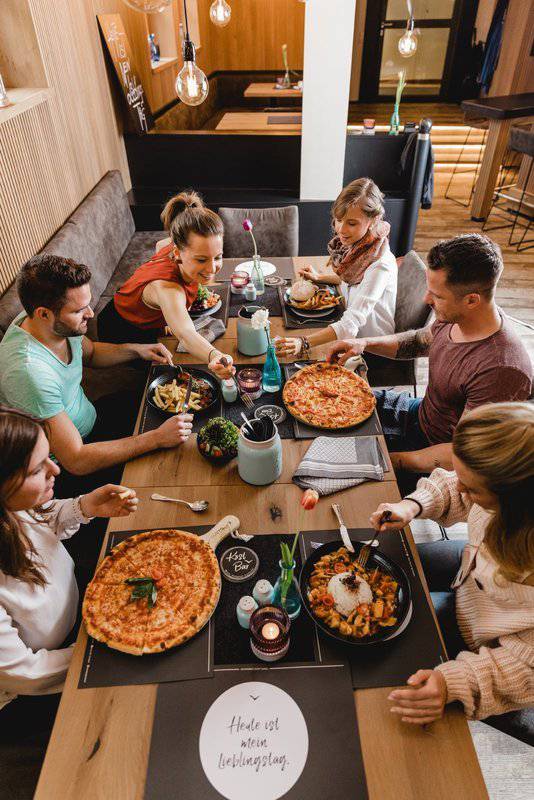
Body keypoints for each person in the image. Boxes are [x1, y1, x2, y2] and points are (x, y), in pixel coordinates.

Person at [369, 402, 534, 724]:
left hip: (492, 656)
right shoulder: (505, 492)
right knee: (392, 566)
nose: (459, 487)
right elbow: (453, 485)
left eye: (471, 488)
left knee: (389, 650)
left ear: (514, 507)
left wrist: (452, 683)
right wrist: (413, 506)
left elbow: (524, 671)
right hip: (470, 581)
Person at [326, 234, 532, 480]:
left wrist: (395, 460)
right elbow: (419, 341)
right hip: (418, 412)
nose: (426, 300)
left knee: (334, 469)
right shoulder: (460, 317)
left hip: (428, 455)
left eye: (438, 296)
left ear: (472, 300)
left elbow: (465, 454)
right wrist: (362, 343)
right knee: (326, 404)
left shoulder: (502, 370)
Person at [0, 254, 193, 485]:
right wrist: (156, 439)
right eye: (79, 310)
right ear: (43, 313)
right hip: (65, 468)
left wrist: (137, 350)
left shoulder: (48, 323)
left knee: (178, 416)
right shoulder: (29, 373)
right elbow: (77, 459)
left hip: (92, 419)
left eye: (88, 304)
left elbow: (90, 353)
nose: (90, 314)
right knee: (168, 470)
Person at [0, 407, 138, 708]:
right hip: (36, 689)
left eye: (49, 457)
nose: (56, 470)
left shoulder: (11, 509)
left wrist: (86, 505)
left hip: (81, 624)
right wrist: (104, 646)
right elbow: (27, 673)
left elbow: (41, 519)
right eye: (37, 470)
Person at [97, 191, 234, 380]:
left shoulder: (172, 245)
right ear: (177, 253)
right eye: (201, 259)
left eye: (217, 257)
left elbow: (161, 244)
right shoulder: (167, 289)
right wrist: (215, 355)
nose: (212, 268)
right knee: (163, 375)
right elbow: (186, 334)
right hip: (123, 329)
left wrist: (166, 315)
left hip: (144, 318)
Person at [276, 178, 397, 359]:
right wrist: (320, 278)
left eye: (352, 223)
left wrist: (304, 342)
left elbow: (351, 324)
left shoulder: (380, 265)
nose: (341, 229)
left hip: (369, 347)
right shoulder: (359, 247)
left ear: (373, 220)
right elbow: (353, 282)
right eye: (338, 220)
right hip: (344, 326)